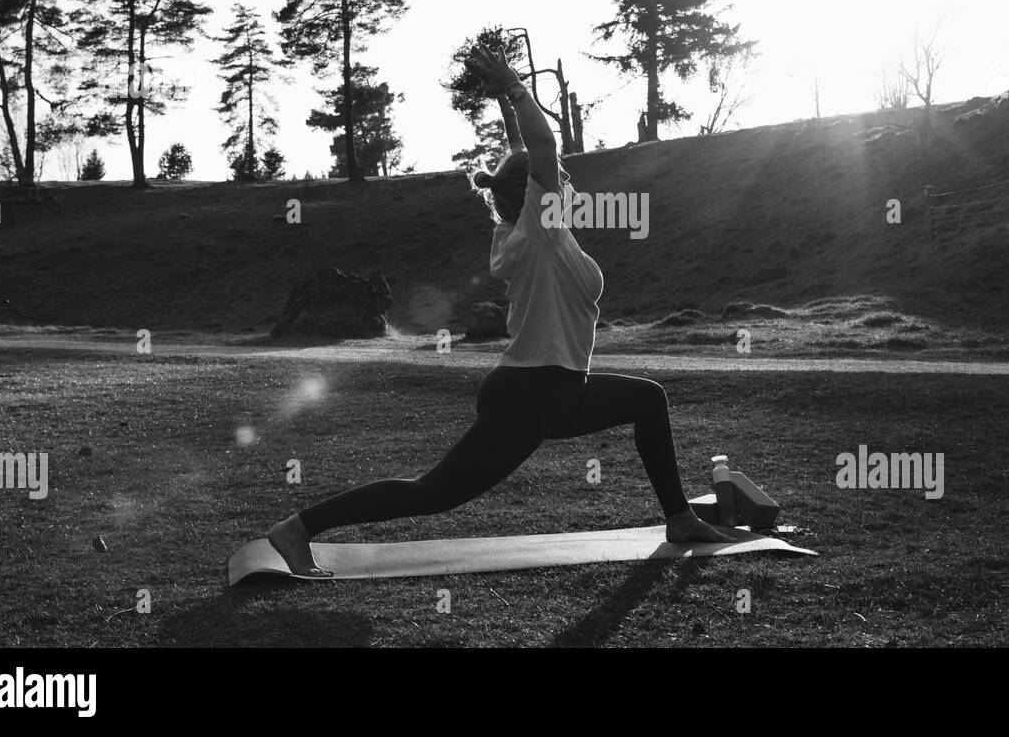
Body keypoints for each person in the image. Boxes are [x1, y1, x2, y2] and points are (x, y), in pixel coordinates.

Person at [267, 45, 732, 577]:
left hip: (556, 389)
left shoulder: (518, 228)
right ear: (538, 192)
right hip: (533, 392)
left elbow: (521, 153)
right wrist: (515, 85)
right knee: (433, 494)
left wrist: (506, 110)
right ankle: (298, 528)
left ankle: (678, 517)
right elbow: (540, 145)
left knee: (648, 399)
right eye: (558, 178)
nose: (568, 183)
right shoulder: (542, 231)